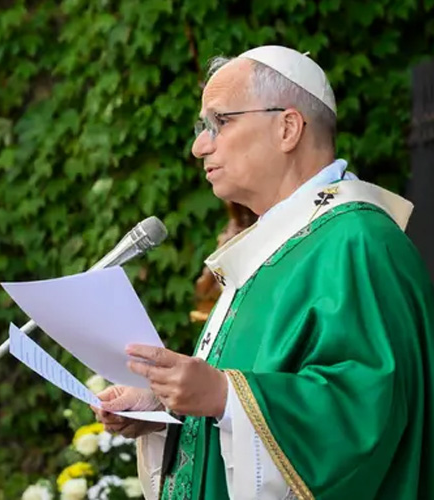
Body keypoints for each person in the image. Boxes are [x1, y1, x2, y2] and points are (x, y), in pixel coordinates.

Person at [92, 45, 434, 500]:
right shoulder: (276, 245)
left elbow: (368, 414)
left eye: (220, 122)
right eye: (202, 127)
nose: (199, 146)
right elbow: (248, 390)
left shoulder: (358, 241)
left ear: (287, 127)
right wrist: (169, 408)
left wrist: (221, 394)